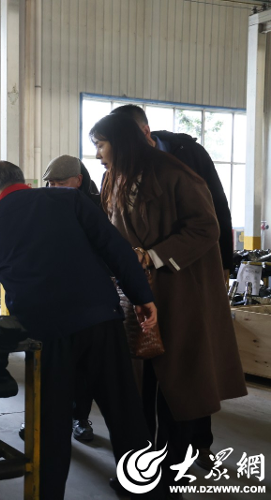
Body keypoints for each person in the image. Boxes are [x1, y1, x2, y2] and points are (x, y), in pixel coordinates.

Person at [0, 161, 162, 499]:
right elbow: (116, 249)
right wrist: (142, 297)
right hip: (100, 321)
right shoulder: (70, 200)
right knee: (125, 412)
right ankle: (147, 491)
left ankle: (48, 494)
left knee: (51, 422)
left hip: (47, 332)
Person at [90, 113, 247, 490]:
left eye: (100, 145)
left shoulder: (174, 173)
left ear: (121, 142)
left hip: (179, 292)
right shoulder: (113, 177)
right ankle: (140, 470)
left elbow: (207, 226)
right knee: (136, 387)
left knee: (177, 386)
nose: (96, 155)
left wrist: (154, 255)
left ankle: (173, 468)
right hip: (134, 295)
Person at [111, 105, 233, 272]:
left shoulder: (188, 155)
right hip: (149, 268)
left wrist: (226, 263)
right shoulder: (119, 171)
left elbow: (217, 207)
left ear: (145, 131)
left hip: (192, 264)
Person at [43, 155, 101, 443]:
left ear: (78, 181)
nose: (54, 188)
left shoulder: (96, 208)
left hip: (86, 299)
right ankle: (47, 420)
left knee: (83, 367)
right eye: (51, 183)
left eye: (60, 183)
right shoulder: (44, 206)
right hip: (52, 296)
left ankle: (80, 418)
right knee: (51, 365)